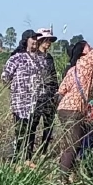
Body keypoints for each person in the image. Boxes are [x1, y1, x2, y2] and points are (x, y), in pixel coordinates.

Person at [56, 38, 93, 173]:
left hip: (64, 109)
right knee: (73, 145)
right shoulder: (86, 61)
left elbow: (62, 89)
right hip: (74, 110)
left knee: (70, 143)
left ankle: (67, 173)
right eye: (88, 46)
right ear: (83, 52)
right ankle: (62, 178)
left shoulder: (73, 68)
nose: (91, 48)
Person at [1, 30, 46, 160]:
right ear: (26, 40)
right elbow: (5, 76)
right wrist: (17, 88)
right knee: (20, 131)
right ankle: (16, 158)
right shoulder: (17, 58)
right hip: (20, 103)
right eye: (32, 38)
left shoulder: (41, 59)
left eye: (37, 39)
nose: (35, 41)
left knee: (31, 131)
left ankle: (27, 158)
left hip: (35, 102)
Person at [33, 28, 60, 158]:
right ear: (40, 41)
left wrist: (56, 93)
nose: (48, 43)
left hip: (50, 95)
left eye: (50, 40)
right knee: (33, 124)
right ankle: (29, 152)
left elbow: (53, 76)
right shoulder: (33, 56)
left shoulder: (49, 58)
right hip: (37, 96)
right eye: (46, 40)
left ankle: (43, 151)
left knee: (48, 126)